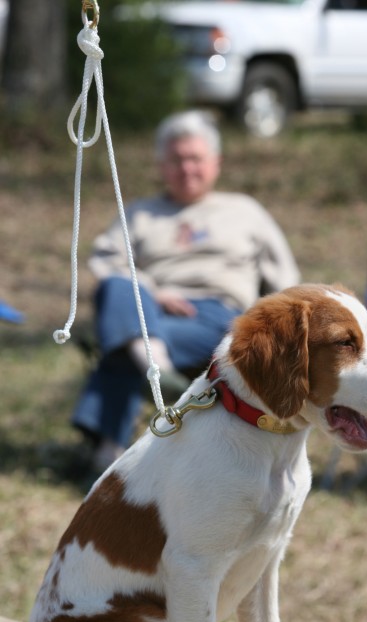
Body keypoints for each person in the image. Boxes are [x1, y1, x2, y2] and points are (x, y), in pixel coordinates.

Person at [73, 110, 300, 472]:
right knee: (119, 286)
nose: (186, 168)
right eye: (176, 160)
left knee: (121, 347)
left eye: (195, 159)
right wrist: (154, 292)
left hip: (216, 317)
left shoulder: (244, 211)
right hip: (151, 311)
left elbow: (285, 281)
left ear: (216, 163)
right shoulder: (141, 213)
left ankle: (109, 450)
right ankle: (153, 360)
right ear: (161, 166)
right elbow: (104, 262)